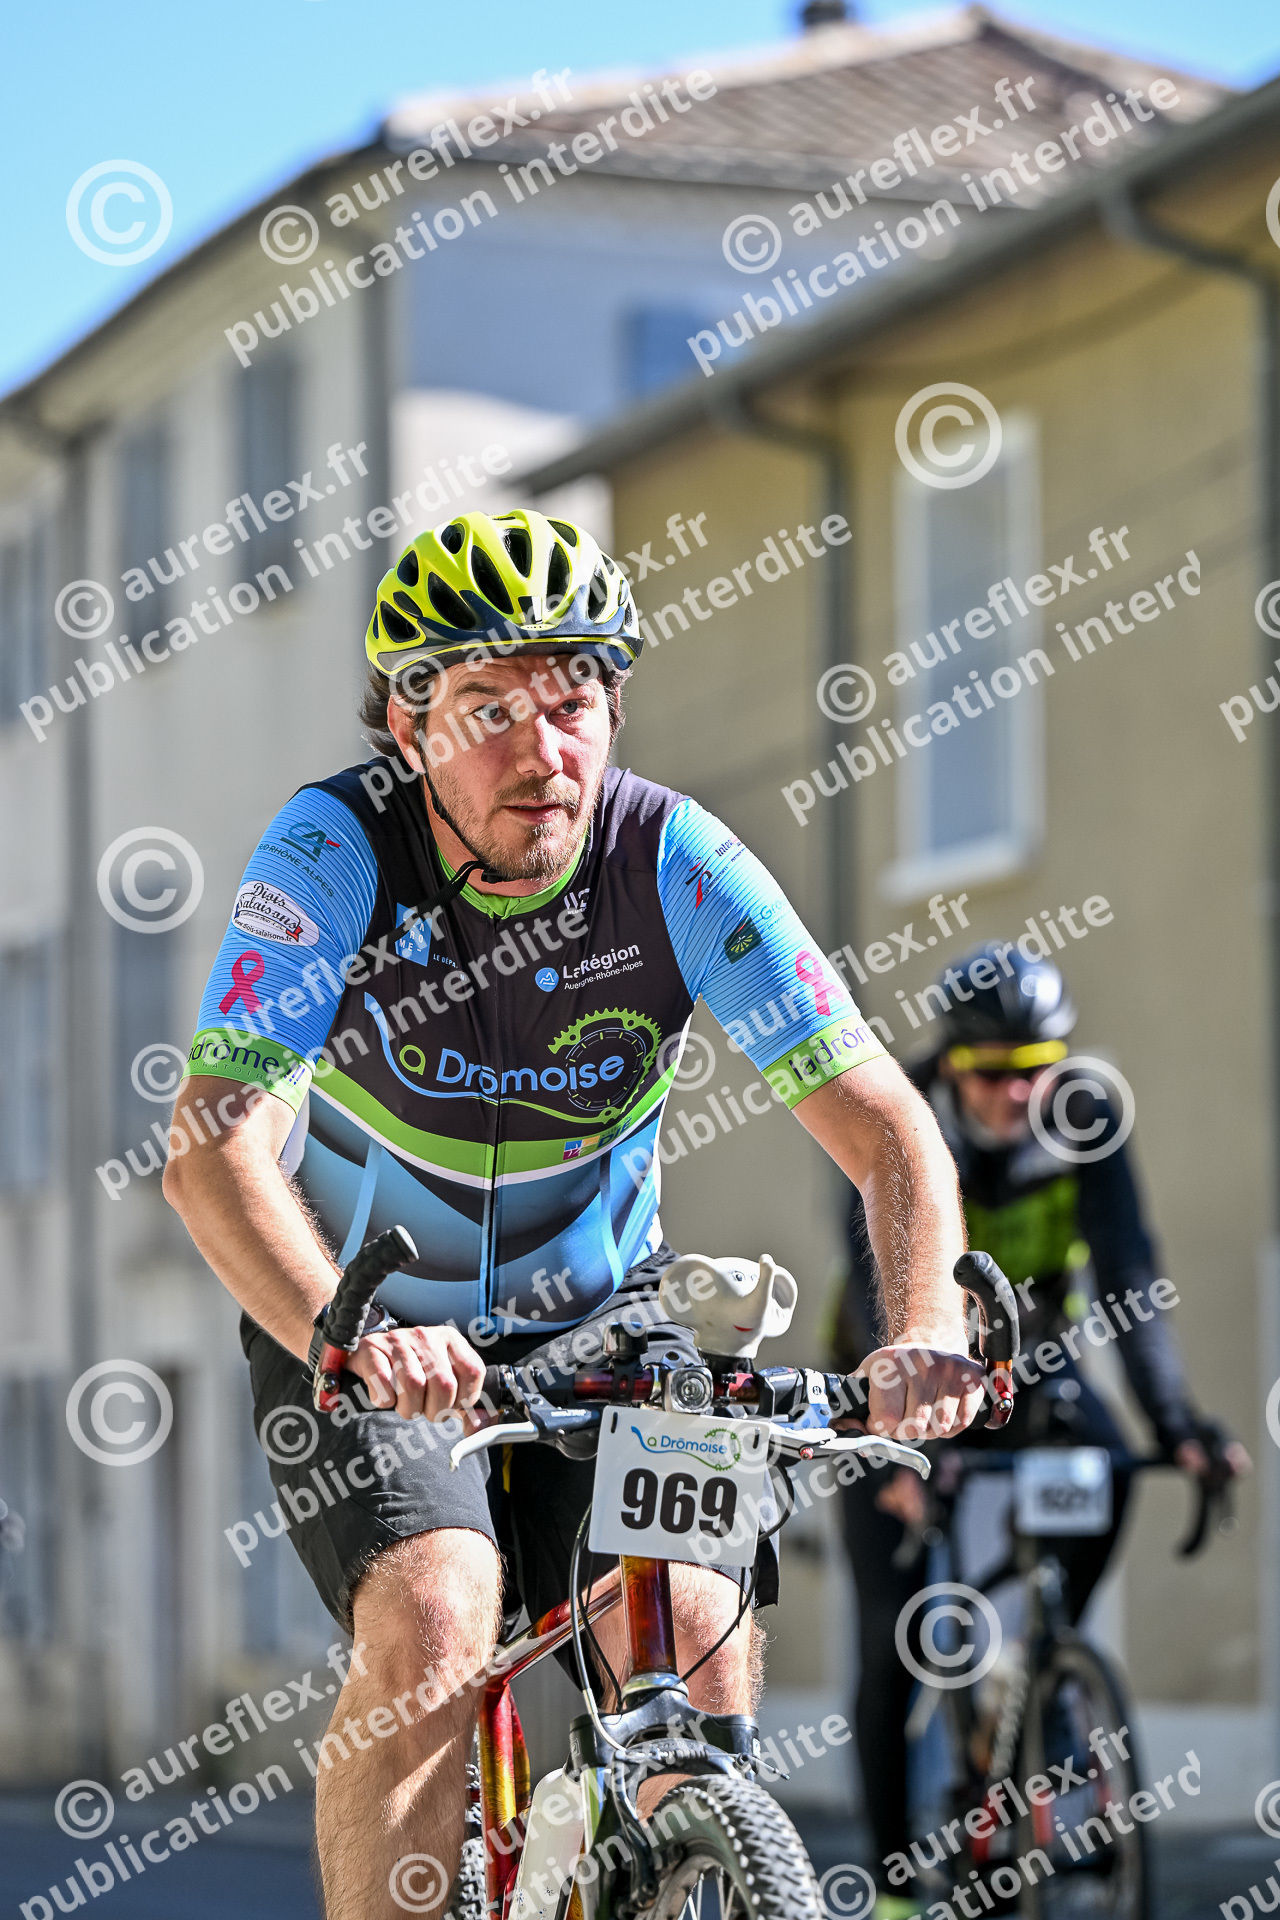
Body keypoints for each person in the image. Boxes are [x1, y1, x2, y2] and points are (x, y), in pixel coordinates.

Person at [164, 507, 985, 1920]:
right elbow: (214, 1143)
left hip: (606, 1314)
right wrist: (340, 1339)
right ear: (407, 725)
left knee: (689, 1629)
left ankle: (683, 1853)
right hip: (368, 1316)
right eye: (488, 708)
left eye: (573, 702)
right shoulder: (335, 849)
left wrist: (922, 1324)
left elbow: (889, 1126)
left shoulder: (674, 860)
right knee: (436, 1616)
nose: (541, 751)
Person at [832, 943, 1249, 1920]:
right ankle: (893, 1889)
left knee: (1108, 1462)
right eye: (990, 1075)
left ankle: (1042, 1669)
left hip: (1025, 1373)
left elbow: (1128, 1274)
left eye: (1035, 1071)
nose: (1015, 1096)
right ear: (951, 1063)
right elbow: (866, 1282)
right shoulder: (902, 1112)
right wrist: (902, 1453)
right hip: (892, 1371)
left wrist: (1176, 1421)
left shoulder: (1085, 1119)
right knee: (892, 1645)